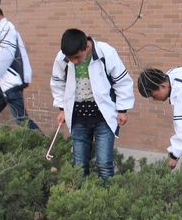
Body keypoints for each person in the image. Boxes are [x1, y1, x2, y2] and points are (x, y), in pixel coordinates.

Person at [50, 29, 135, 182]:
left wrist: (122, 110)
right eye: (70, 58)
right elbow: (57, 83)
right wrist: (62, 109)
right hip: (77, 118)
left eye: (77, 57)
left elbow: (122, 82)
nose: (74, 61)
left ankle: (106, 194)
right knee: (79, 164)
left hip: (103, 118)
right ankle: (82, 193)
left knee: (104, 164)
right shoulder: (62, 57)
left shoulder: (106, 52)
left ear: (87, 47)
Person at [0, 1, 41, 130]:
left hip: (12, 82)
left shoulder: (4, 30)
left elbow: (4, 56)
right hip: (6, 83)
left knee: (21, 121)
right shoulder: (4, 29)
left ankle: (41, 140)